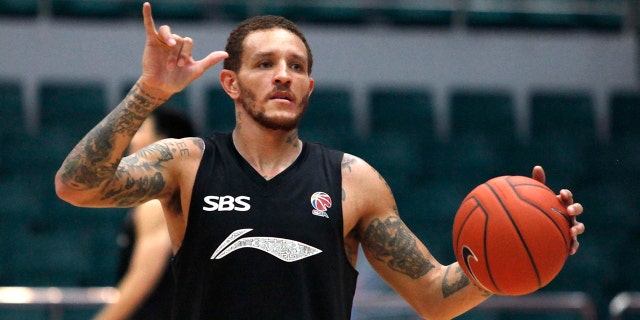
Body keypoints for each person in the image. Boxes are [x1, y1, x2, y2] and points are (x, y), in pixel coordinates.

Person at [55, 3, 585, 319]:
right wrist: (148, 92)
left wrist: (508, 259)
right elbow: (75, 186)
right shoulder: (186, 163)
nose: (283, 74)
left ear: (310, 85)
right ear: (231, 83)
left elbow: (434, 298)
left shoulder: (355, 182)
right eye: (265, 63)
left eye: (297, 65)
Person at [94, 108, 197, 320]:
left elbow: (143, 277)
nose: (132, 140)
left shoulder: (158, 204)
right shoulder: (181, 197)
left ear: (163, 143)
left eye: (141, 131)